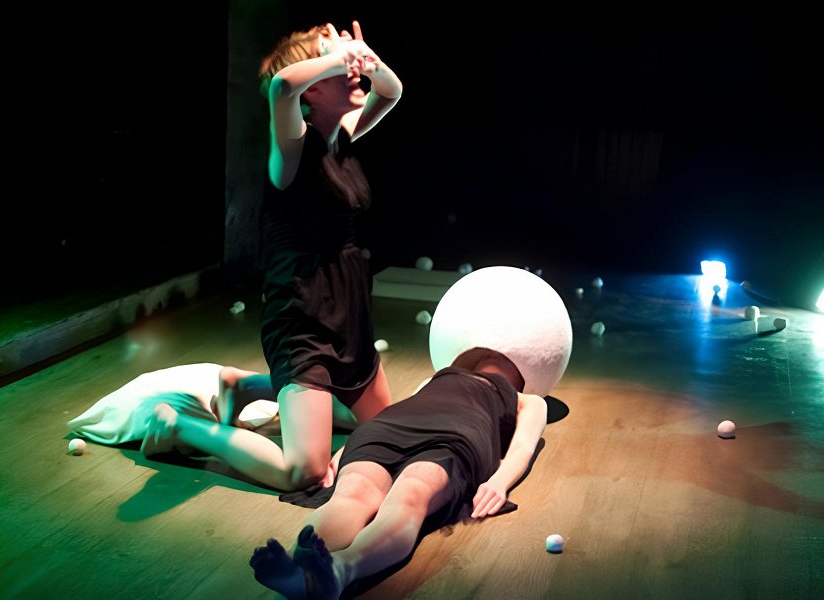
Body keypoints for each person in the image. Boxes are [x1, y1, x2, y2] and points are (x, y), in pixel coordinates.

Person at [145, 20, 403, 492]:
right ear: (312, 90)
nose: (353, 71)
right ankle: (182, 426)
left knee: (390, 433)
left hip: (350, 314)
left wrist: (367, 57)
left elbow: (392, 90)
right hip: (302, 316)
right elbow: (281, 85)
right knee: (305, 472)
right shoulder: (291, 147)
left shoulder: (342, 133)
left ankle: (245, 385)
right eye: (337, 63)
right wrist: (341, 56)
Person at [248, 347, 549, 599]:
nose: (495, 354)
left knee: (411, 493)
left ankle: (339, 570)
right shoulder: (438, 376)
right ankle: (299, 567)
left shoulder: (529, 400)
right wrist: (341, 454)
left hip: (457, 435)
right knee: (353, 492)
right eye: (489, 353)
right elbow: (402, 406)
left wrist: (499, 482)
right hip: (391, 426)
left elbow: (523, 446)